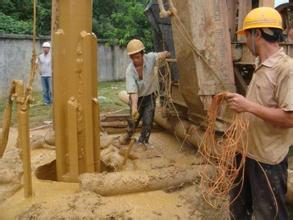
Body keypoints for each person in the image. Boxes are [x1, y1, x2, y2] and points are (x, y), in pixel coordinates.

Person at [226, 7, 293, 219]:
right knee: (238, 211)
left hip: (267, 162)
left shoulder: (286, 69)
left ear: (257, 34)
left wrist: (247, 106)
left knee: (269, 215)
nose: (245, 41)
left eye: (246, 35)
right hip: (245, 154)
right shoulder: (261, 65)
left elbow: (290, 118)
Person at [119, 39, 170, 147]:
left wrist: (166, 54)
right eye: (132, 57)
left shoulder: (150, 58)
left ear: (143, 54)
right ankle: (128, 135)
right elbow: (133, 92)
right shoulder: (130, 71)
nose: (135, 60)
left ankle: (143, 141)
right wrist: (134, 108)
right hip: (136, 98)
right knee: (133, 120)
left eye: (137, 57)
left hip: (150, 96)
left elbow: (162, 55)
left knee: (148, 120)